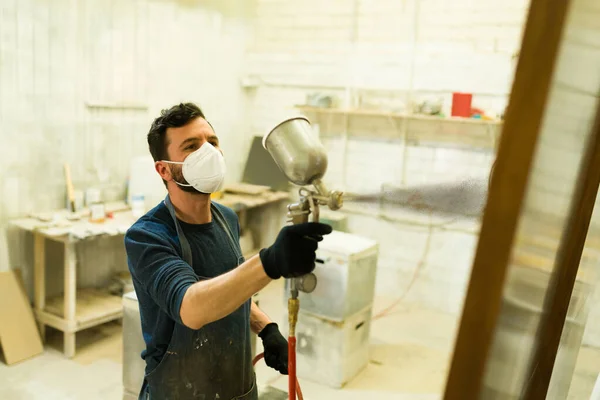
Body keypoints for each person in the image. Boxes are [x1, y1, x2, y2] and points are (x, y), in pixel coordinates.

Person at [124, 102, 332, 400]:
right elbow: (192, 307)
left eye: (212, 141)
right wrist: (269, 262)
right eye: (192, 146)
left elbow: (230, 288)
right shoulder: (147, 236)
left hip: (238, 387)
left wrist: (265, 327)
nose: (209, 152)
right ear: (164, 169)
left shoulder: (227, 218)